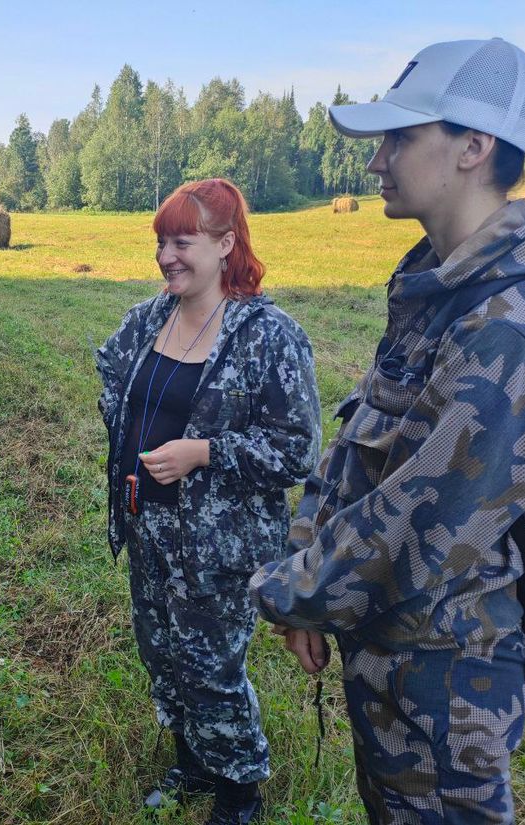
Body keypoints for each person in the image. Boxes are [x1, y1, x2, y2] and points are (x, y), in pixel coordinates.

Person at [250, 38, 525, 824]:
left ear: (472, 147)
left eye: (399, 137)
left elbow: (414, 529)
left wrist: (285, 590)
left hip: (447, 689)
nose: (375, 160)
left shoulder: (509, 325)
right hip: (393, 656)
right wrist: (305, 548)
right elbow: (361, 437)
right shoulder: (439, 280)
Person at [96, 179, 321, 823]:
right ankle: (192, 763)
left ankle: (238, 792)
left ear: (225, 245)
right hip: (148, 528)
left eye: (182, 243)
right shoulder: (149, 319)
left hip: (219, 549)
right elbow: (111, 371)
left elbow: (297, 450)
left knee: (212, 671)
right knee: (163, 657)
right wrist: (127, 432)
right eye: (161, 243)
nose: (166, 257)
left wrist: (205, 452)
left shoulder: (268, 337)